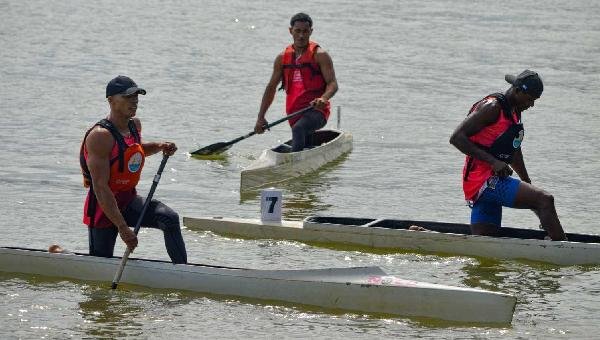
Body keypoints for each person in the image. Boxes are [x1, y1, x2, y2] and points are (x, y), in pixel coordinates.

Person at [79, 75, 187, 263]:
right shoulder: (100, 136)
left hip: (127, 200)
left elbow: (132, 151)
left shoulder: (134, 125)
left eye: (136, 96)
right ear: (111, 100)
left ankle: (184, 274)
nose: (134, 101)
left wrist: (160, 146)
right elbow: (100, 187)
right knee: (100, 265)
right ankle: (59, 253)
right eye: (128, 97)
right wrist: (122, 228)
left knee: (169, 218)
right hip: (104, 207)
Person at [449, 70, 567, 241]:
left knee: (484, 246)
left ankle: (421, 233)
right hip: (483, 181)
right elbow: (456, 138)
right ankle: (564, 255)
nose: (531, 104)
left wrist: (527, 182)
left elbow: (514, 150)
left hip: (493, 182)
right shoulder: (492, 107)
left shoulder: (514, 110)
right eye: (529, 99)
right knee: (545, 200)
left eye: (535, 100)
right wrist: (493, 162)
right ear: (517, 90)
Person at [254, 12, 338, 152]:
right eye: (297, 31)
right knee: (302, 134)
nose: (301, 35)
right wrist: (261, 117)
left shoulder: (320, 55)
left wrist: (323, 98)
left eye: (305, 31)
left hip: (317, 111)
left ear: (311, 31)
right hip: (293, 113)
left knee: (299, 128)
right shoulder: (282, 58)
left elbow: (333, 84)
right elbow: (271, 88)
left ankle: (293, 167)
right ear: (290, 31)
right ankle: (306, 151)